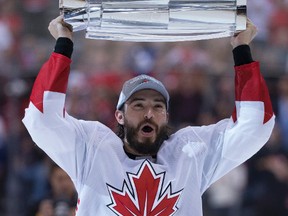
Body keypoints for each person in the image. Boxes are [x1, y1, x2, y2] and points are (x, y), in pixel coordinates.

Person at [22, 15, 275, 216]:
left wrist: (241, 48)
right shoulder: (93, 149)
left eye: (157, 107)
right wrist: (63, 44)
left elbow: (254, 127)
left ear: (166, 117)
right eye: (138, 105)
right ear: (119, 116)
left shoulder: (189, 154)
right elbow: (42, 118)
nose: (149, 113)